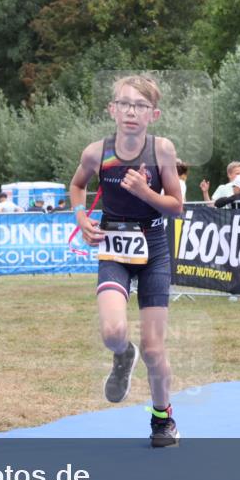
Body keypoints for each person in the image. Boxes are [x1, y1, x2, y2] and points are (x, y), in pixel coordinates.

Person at [70, 75, 183, 447]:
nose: (131, 111)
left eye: (140, 106)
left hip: (153, 249)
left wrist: (145, 191)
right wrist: (81, 216)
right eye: (125, 104)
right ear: (112, 110)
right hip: (113, 245)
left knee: (155, 349)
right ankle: (122, 356)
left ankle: (162, 418)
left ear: (154, 114)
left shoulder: (162, 150)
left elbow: (176, 207)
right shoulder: (96, 152)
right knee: (113, 333)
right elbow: (77, 185)